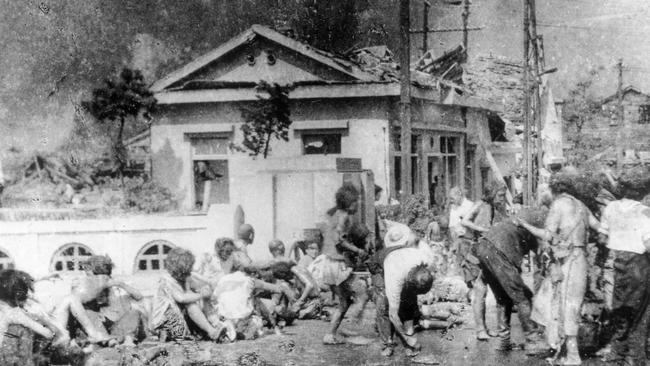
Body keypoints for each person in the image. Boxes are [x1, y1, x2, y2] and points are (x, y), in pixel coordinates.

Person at [516, 172, 601, 365]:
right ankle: (564, 349)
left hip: (567, 261)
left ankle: (572, 354)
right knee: (572, 305)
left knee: (560, 305)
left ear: (554, 189)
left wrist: (525, 225)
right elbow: (600, 228)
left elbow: (547, 235)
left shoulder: (558, 205)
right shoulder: (581, 205)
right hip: (581, 260)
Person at [474, 207, 548, 351]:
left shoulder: (527, 214)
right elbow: (540, 252)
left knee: (503, 298)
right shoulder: (542, 220)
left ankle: (504, 341)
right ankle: (532, 340)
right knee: (523, 297)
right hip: (499, 250)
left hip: (484, 247)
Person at [595, 189, 650, 365]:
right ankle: (635, 358)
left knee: (621, 313)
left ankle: (617, 355)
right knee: (640, 316)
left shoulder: (611, 207)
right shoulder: (643, 211)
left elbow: (602, 238)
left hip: (618, 262)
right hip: (639, 264)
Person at [309, 184, 367, 344]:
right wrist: (357, 250)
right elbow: (338, 240)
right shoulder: (343, 217)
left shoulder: (335, 214)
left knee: (345, 301)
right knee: (362, 294)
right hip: (337, 265)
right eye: (356, 201)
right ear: (349, 203)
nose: (358, 204)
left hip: (329, 263)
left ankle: (330, 335)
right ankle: (351, 329)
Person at [367, 224, 434, 357]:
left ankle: (408, 338)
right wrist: (407, 338)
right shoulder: (395, 275)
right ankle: (387, 343)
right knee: (384, 305)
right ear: (409, 279)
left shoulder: (426, 259)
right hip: (379, 267)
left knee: (409, 302)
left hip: (402, 264)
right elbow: (393, 314)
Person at [53, 255, 144, 346]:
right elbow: (79, 302)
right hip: (102, 326)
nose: (86, 275)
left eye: (88, 273)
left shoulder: (116, 282)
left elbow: (138, 296)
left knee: (135, 312)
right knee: (89, 313)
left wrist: (121, 284)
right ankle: (109, 341)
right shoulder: (91, 284)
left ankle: (127, 340)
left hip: (118, 325)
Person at [458, 183, 508, 341]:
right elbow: (465, 221)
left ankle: (485, 328)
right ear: (492, 193)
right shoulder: (480, 205)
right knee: (480, 290)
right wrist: (481, 229)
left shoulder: (495, 208)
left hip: (486, 251)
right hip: (472, 251)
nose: (502, 198)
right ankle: (480, 329)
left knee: (490, 288)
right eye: (500, 195)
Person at [151, 247, 227, 342]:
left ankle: (215, 323)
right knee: (191, 303)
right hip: (165, 322)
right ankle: (211, 331)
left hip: (179, 319)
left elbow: (204, 283)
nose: (189, 273)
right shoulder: (166, 281)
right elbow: (181, 298)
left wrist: (205, 290)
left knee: (199, 295)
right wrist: (201, 295)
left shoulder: (184, 277)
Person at [0, 269, 62, 363]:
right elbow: (48, 334)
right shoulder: (15, 314)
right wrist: (41, 318)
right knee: (23, 330)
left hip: (5, 355)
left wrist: (44, 277)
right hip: (5, 358)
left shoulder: (4, 307)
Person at [447, 186, 474, 261]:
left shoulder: (470, 206)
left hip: (468, 242)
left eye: (452, 198)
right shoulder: (453, 208)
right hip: (456, 243)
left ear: (459, 194)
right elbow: (451, 227)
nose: (451, 201)